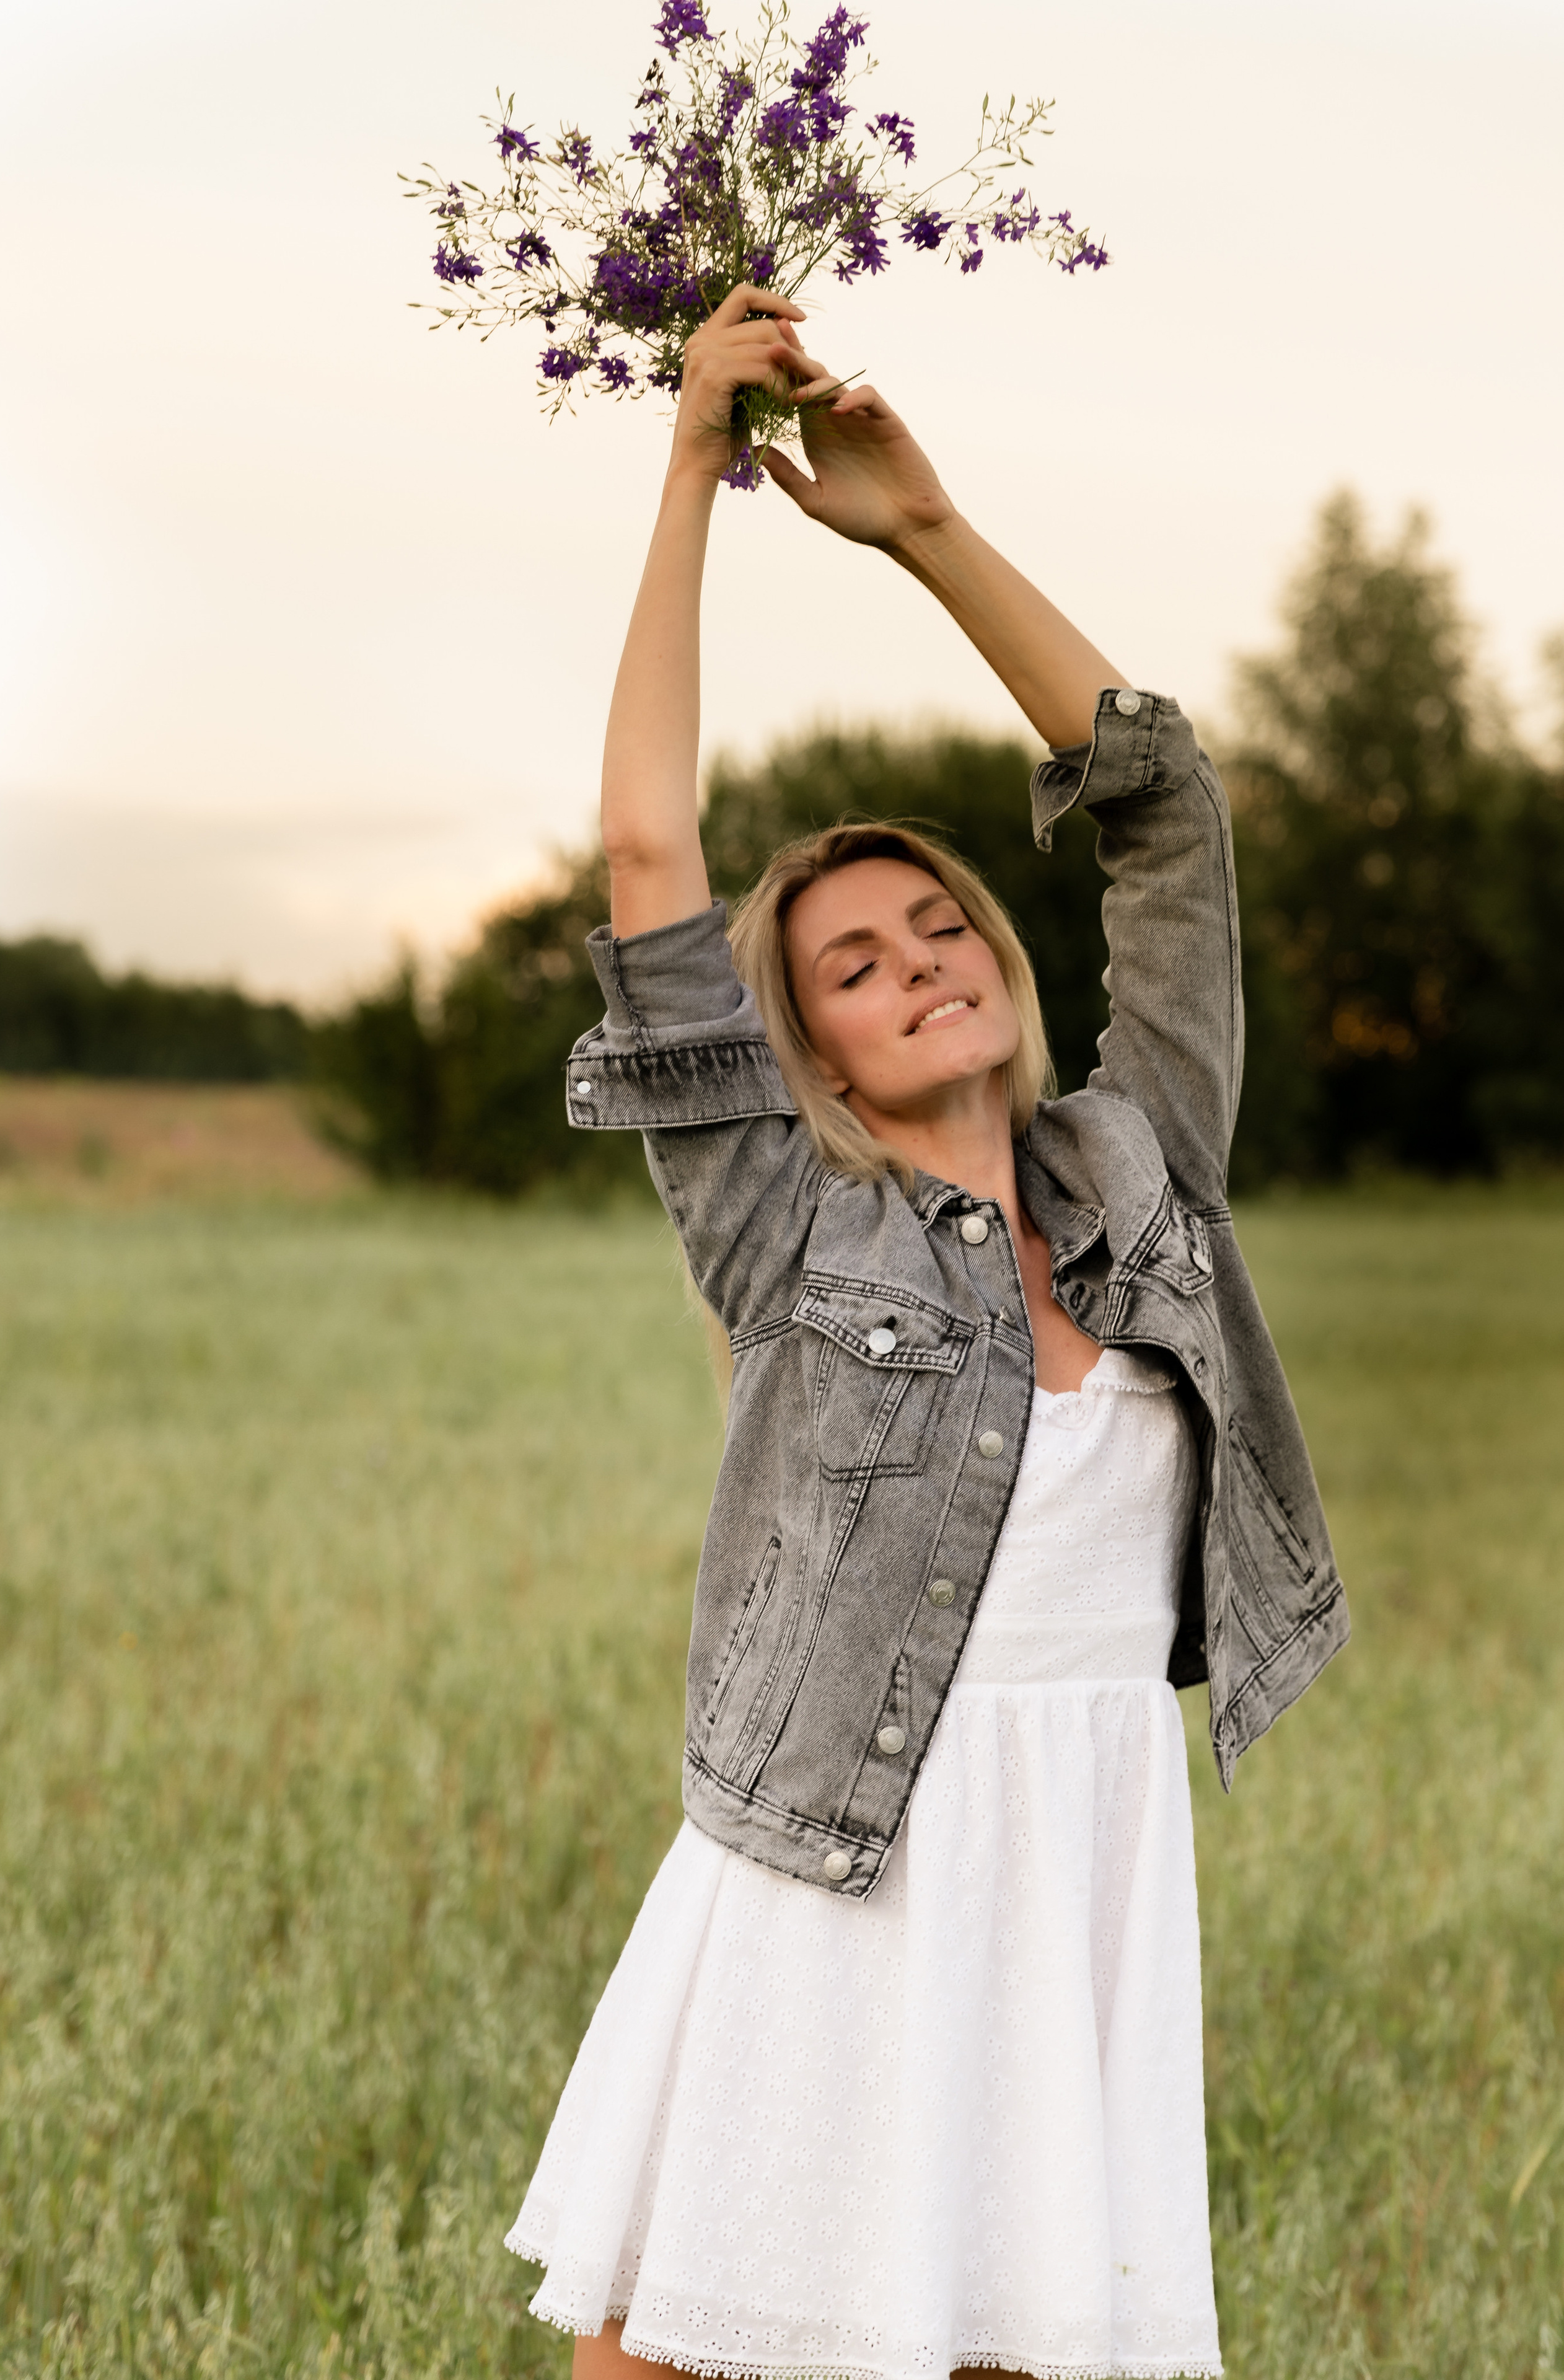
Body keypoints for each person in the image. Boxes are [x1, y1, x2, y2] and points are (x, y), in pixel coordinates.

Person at [506, 286, 1348, 2380]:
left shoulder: (1142, 1161)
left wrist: (926, 531)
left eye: (939, 925)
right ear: (817, 1056)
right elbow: (643, 857)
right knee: (668, 2354)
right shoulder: (785, 1226)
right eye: (856, 969)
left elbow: (1163, 813)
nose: (920, 965)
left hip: (1076, 1869)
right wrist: (691, 474)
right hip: (837, 1853)